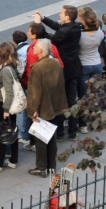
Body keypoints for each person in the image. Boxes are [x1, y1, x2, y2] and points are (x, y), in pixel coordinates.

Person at [34, 6, 82, 140]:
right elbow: (58, 27)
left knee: (60, 100)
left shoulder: (65, 31)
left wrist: (39, 26)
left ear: (67, 17)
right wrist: (44, 19)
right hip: (74, 68)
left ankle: (60, 132)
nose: (60, 14)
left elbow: (51, 39)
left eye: (62, 13)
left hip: (63, 69)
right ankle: (73, 130)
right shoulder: (76, 26)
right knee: (72, 100)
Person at [27, 39, 69, 177]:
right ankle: (52, 165)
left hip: (43, 108)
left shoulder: (37, 68)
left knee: (41, 139)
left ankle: (41, 167)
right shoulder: (55, 63)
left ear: (40, 51)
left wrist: (33, 110)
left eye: (34, 48)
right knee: (52, 137)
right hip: (56, 105)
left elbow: (35, 92)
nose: (32, 50)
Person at [0, 42, 21, 171]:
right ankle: (13, 160)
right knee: (12, 130)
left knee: (2, 133)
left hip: (6, 105)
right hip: (11, 104)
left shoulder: (6, 70)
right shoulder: (12, 64)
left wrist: (6, 110)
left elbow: (9, 91)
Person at [77, 6, 104, 130]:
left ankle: (83, 124)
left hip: (84, 65)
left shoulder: (80, 35)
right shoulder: (99, 33)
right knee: (96, 93)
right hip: (97, 64)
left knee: (84, 96)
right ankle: (96, 119)